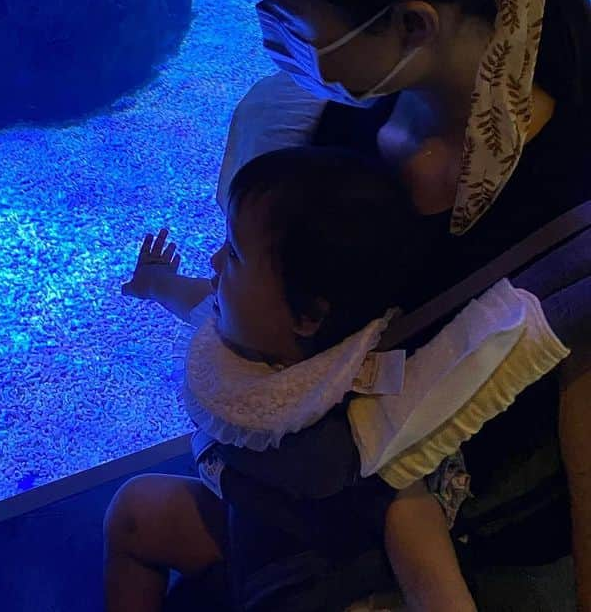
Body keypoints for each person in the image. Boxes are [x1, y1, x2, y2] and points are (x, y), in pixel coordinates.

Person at [106, 0, 591, 610]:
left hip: (457, 544)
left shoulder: (565, 195)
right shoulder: (340, 107)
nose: (275, 36)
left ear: (410, 24)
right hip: (308, 509)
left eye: (291, 15)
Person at [107, 146, 579, 612]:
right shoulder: (245, 334)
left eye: (233, 253)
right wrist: (153, 281)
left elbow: (409, 513)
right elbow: (197, 297)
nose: (214, 263)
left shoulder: (358, 407)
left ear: (308, 317)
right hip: (250, 528)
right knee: (134, 512)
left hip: (336, 577)